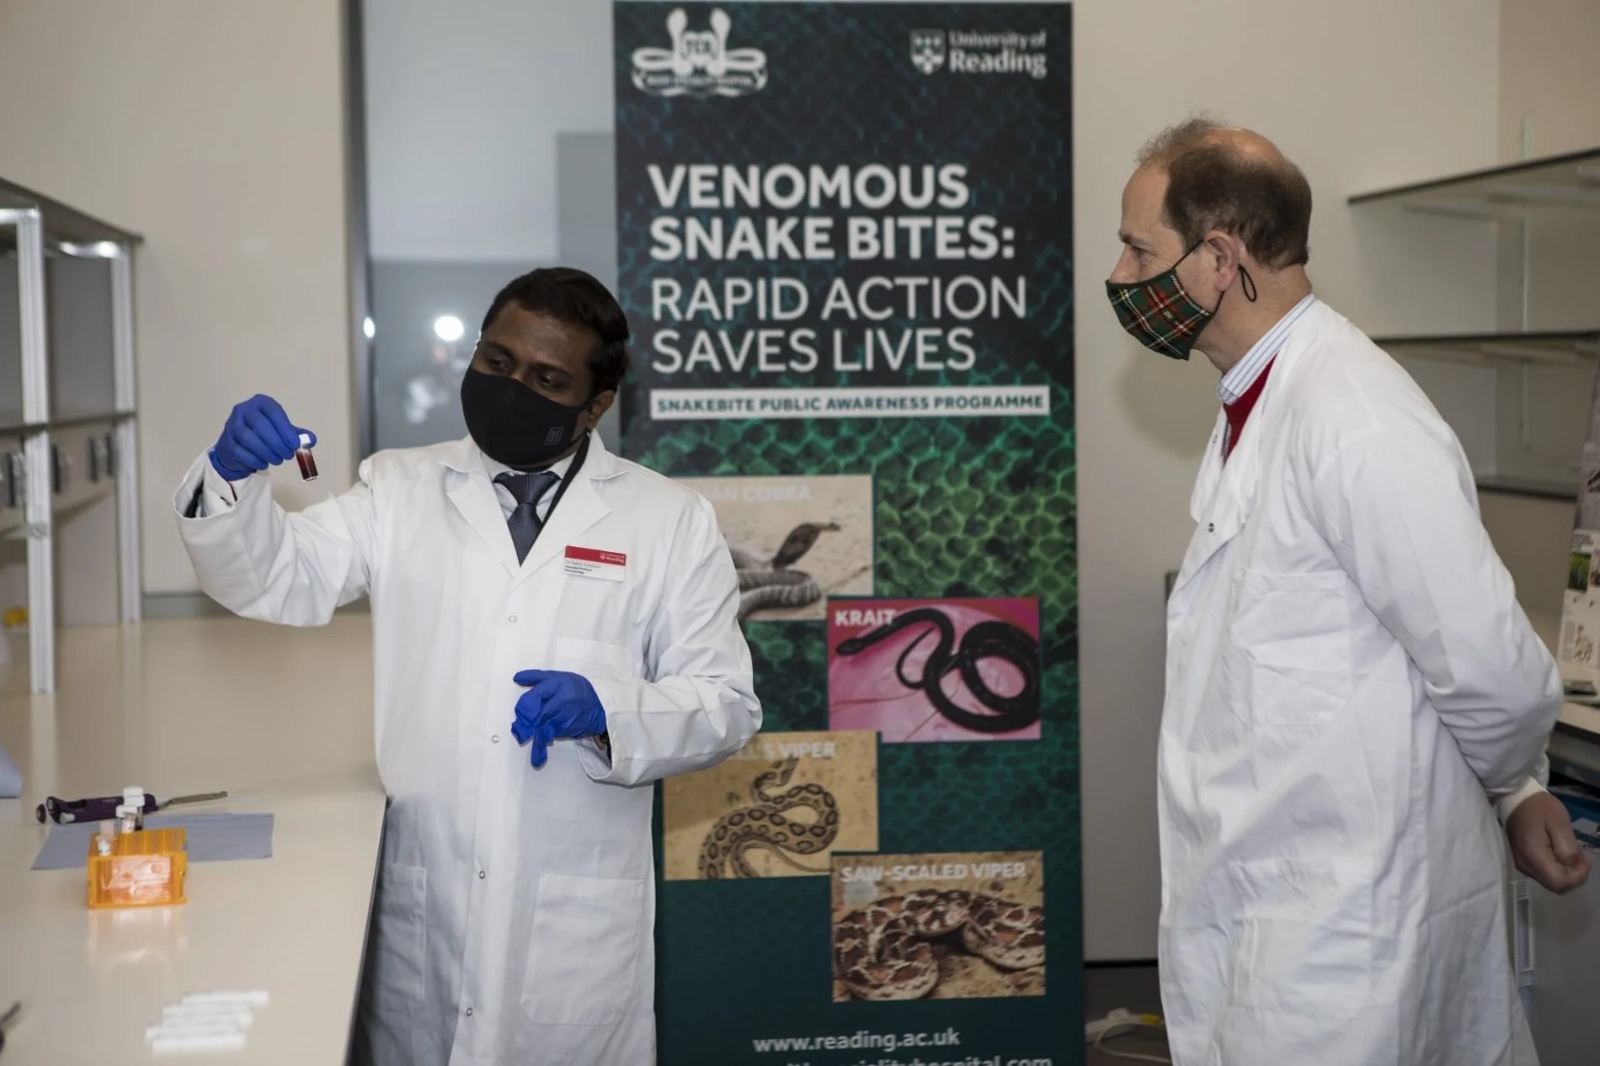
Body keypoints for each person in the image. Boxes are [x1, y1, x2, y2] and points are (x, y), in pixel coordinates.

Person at [173, 267, 761, 1065]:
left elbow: (726, 704)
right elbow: (280, 580)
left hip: (573, 923)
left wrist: (611, 711)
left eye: (547, 378)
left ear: (593, 405)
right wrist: (231, 481)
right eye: (497, 362)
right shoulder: (400, 487)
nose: (512, 387)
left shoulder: (666, 521)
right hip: (430, 897)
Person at [1107, 118, 1591, 1065]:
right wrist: (1513, 789)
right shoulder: (1265, 395)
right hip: (1282, 902)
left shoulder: (1355, 416)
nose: (1122, 280)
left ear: (1218, 256)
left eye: (1138, 250)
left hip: (1345, 926)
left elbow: (1494, 669)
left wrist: (1511, 784)